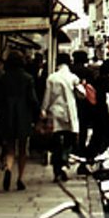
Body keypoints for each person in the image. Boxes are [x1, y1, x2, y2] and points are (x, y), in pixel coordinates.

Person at [0, 51, 38, 192]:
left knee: (10, 147)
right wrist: (38, 114)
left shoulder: (3, 79)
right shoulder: (28, 78)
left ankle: (8, 168)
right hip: (23, 116)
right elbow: (32, 99)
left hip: (7, 115)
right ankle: (20, 179)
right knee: (22, 148)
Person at [40, 53, 81, 182]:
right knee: (69, 141)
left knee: (56, 141)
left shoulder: (52, 78)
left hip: (55, 112)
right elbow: (82, 95)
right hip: (69, 113)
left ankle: (57, 169)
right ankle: (64, 162)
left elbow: (48, 96)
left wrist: (43, 109)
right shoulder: (73, 78)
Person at [70, 51, 95, 160]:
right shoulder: (88, 72)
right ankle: (81, 147)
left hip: (71, 101)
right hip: (85, 103)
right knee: (83, 125)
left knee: (72, 125)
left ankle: (72, 147)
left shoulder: (70, 71)